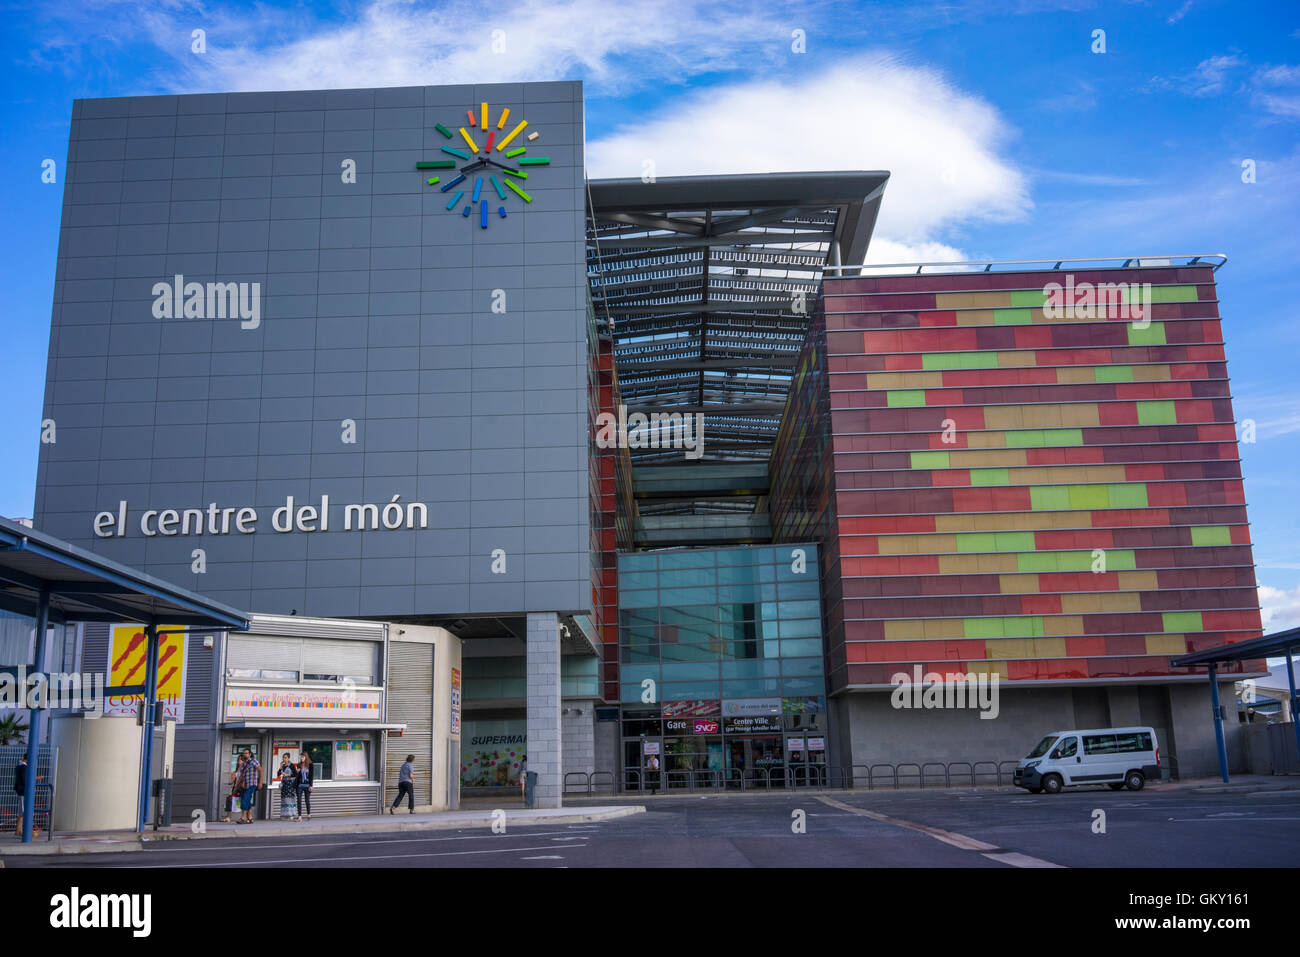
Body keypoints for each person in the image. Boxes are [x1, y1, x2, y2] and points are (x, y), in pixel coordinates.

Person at [237, 748, 261, 824]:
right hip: (244, 785)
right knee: (247, 800)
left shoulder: (254, 761)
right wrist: (237, 786)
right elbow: (241, 776)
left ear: (250, 754)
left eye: (246, 753)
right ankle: (250, 818)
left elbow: (260, 770)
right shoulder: (243, 764)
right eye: (244, 753)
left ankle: (242, 818)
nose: (245, 754)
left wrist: (260, 783)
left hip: (252, 784)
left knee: (245, 799)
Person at [223, 754, 245, 823]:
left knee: (244, 802)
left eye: (242, 760)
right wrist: (232, 776)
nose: (240, 761)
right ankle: (228, 817)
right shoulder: (235, 771)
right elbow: (232, 782)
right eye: (239, 760)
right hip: (235, 788)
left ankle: (243, 817)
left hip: (242, 788)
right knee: (229, 801)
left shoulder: (245, 770)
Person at [276, 753, 297, 820]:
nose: (284, 759)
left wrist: (287, 775)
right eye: (283, 758)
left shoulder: (291, 765)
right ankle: (284, 814)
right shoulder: (283, 765)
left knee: (290, 799)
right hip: (284, 784)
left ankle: (291, 814)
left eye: (285, 757)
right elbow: (278, 774)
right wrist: (280, 767)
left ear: (288, 758)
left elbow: (295, 774)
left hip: (290, 784)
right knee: (284, 799)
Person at [295, 752, 313, 821]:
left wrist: (311, 785)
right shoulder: (299, 764)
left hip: (307, 785)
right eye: (300, 757)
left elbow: (311, 776)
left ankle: (308, 814)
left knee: (307, 800)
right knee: (299, 800)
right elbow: (297, 776)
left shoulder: (310, 765)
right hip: (300, 785)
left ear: (306, 757)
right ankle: (300, 816)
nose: (301, 758)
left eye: (302, 757)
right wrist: (297, 772)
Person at [13, 754, 27, 823]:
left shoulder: (18, 766)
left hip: (19, 789)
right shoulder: (24, 767)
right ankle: (19, 829)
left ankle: (19, 830)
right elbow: (24, 779)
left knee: (21, 810)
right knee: (23, 811)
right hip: (23, 790)